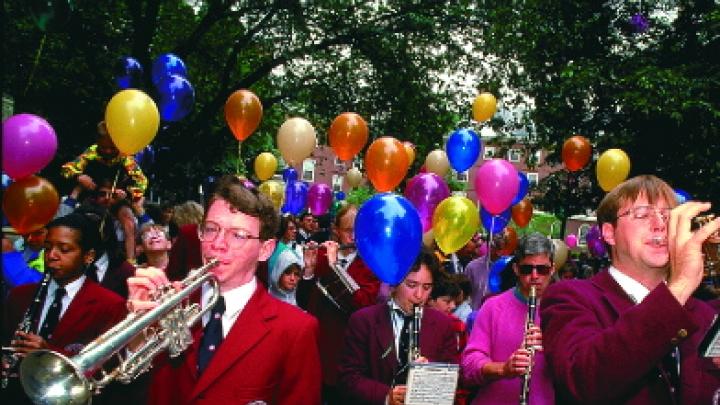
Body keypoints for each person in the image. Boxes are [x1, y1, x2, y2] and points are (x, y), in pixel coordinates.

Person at [126, 175, 321, 404]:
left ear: (265, 250)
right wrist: (135, 337)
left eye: (238, 235)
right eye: (210, 229)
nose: (217, 244)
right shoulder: (169, 304)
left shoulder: (295, 330)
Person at [541, 175, 720, 404]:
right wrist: (681, 285)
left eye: (668, 216)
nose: (660, 225)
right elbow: (583, 382)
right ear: (609, 233)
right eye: (643, 215)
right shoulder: (570, 297)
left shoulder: (706, 314)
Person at [2, 213, 127, 403]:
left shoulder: (110, 304)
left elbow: (109, 368)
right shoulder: (20, 296)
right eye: (48, 247)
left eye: (64, 249)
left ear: (88, 256)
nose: (51, 256)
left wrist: (49, 354)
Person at [338, 249, 458, 405]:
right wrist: (386, 396)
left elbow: (450, 383)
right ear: (394, 282)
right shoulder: (363, 320)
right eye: (411, 284)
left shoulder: (443, 325)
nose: (419, 295)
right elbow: (348, 378)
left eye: (427, 287)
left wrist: (430, 376)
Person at [298, 204, 381, 403]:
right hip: (316, 347)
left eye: (358, 231)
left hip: (346, 351)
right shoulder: (322, 256)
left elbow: (360, 304)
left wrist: (335, 268)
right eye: (348, 231)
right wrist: (308, 271)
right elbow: (303, 300)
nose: (353, 237)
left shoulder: (371, 265)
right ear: (336, 231)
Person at [461, 232, 555, 404]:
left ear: (553, 269)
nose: (535, 276)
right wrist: (503, 369)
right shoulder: (493, 307)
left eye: (542, 269)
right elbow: (469, 365)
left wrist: (553, 343)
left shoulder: (564, 310)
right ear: (516, 269)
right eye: (527, 269)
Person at [60, 120, 147, 201]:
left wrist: (128, 193)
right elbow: (66, 169)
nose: (108, 151)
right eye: (103, 147)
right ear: (97, 142)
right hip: (91, 195)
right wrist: (78, 177)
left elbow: (141, 181)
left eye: (112, 148)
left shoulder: (126, 157)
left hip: (115, 200)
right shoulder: (91, 152)